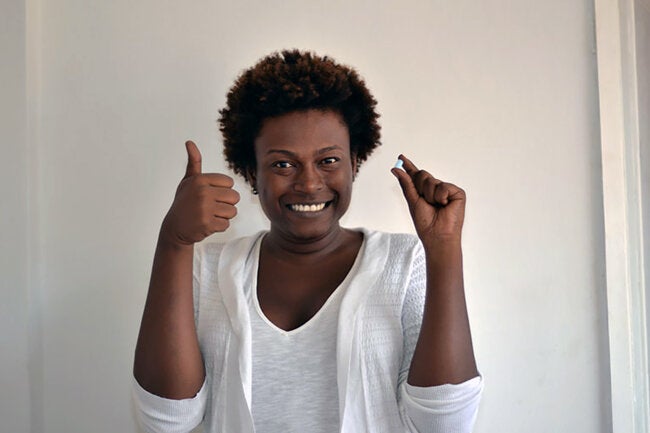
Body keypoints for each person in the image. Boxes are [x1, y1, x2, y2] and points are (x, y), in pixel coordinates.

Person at [132, 49, 483, 433]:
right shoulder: (207, 270)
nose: (309, 183)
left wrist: (443, 248)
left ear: (354, 163)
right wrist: (173, 242)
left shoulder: (405, 263)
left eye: (328, 160)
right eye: (283, 164)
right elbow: (166, 420)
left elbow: (445, 423)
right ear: (251, 172)